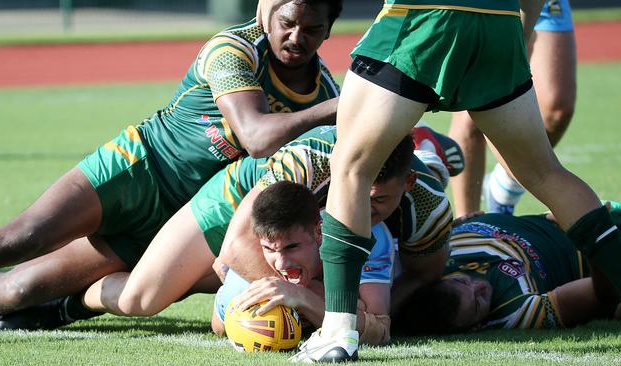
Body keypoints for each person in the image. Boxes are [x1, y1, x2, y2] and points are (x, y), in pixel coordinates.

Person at [257, 0, 621, 363]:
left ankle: (337, 331)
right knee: (545, 173)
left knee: (351, 165)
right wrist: (517, 31)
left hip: (424, 16)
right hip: (499, 20)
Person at [0, 0, 342, 324]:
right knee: (22, 238)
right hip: (138, 170)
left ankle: (66, 305)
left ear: (328, 31)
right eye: (287, 23)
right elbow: (256, 137)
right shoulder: (234, 48)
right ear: (267, 10)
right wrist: (340, 108)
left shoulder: (324, 92)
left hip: (179, 218)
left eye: (312, 29)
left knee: (20, 288)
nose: (297, 37)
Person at [211, 181, 394, 345]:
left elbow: (380, 330)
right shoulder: (242, 286)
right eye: (269, 249)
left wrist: (303, 297)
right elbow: (218, 326)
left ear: (318, 233)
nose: (281, 264)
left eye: (292, 247)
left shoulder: (361, 236)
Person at [394, 202, 621, 334]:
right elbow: (599, 296)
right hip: (594, 237)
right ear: (475, 327)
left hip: (555, 216)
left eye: (461, 281)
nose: (479, 287)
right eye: (476, 304)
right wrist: (594, 237)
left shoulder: (430, 262)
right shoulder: (514, 312)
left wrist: (452, 226)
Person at [449, 0, 577, 216]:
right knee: (474, 107)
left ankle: (504, 187)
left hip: (542, 4)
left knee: (557, 107)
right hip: (480, 6)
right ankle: (467, 227)